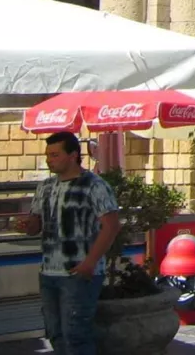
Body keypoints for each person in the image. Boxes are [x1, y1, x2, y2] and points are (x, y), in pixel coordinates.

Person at [15, 131, 122, 355]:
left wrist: (90, 263)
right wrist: (27, 225)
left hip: (78, 272)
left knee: (77, 334)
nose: (49, 160)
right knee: (55, 332)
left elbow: (111, 225)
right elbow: (36, 225)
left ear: (73, 155)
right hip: (49, 271)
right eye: (48, 155)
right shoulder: (44, 187)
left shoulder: (94, 185)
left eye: (55, 155)